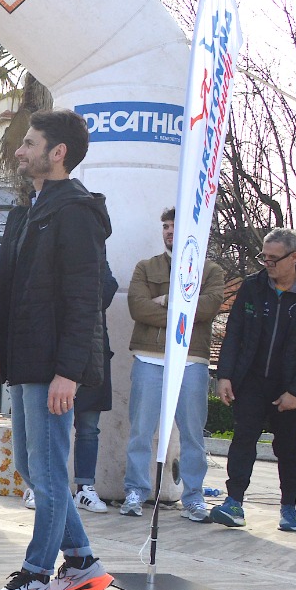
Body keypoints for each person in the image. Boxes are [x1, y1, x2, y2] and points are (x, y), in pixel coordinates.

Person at [0, 109, 113, 590]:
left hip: (53, 366)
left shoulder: (76, 213)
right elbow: (15, 294)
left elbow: (85, 299)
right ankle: (81, 562)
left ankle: (36, 575)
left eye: (29, 143)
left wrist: (68, 373)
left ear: (58, 153)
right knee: (34, 470)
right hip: (24, 359)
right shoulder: (28, 212)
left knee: (50, 474)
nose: (19, 150)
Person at [211, 229, 296, 531]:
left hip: (290, 386)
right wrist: (225, 375)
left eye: (273, 259)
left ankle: (289, 507)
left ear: (294, 257)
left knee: (288, 448)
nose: (267, 264)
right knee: (243, 440)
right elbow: (234, 333)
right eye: (263, 257)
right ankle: (234, 502)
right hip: (251, 380)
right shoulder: (253, 286)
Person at [120, 208, 226, 521]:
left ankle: (193, 498)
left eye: (174, 226)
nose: (169, 231)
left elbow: (207, 308)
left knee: (192, 434)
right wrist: (184, 311)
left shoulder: (211, 271)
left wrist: (165, 300)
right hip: (149, 358)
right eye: (166, 226)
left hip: (192, 361)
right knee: (141, 431)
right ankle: (135, 491)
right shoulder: (146, 267)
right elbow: (138, 308)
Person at [71, 262, 120, 513]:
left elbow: (109, 288)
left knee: (89, 427)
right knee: (50, 427)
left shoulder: (96, 252)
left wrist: (78, 292)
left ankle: (84, 487)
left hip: (93, 351)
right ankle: (42, 486)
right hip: (56, 350)